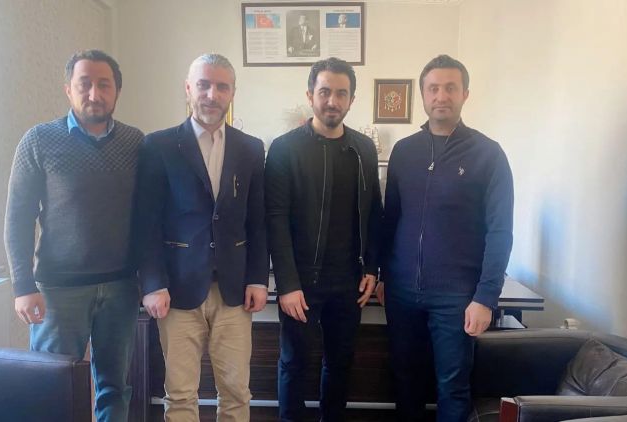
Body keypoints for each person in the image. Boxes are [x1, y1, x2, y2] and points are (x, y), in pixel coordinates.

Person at [5, 49, 143, 422]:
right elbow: (18, 217)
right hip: (57, 291)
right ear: (68, 89)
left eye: (104, 85)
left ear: (117, 91)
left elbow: (148, 215)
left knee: (115, 388)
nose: (94, 94)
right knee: (51, 388)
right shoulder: (38, 140)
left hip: (120, 288)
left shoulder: (135, 143)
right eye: (85, 84)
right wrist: (22, 285)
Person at [377, 54, 514, 422]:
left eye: (450, 88)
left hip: (457, 296)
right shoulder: (404, 152)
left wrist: (485, 297)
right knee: (405, 381)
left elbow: (500, 231)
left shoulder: (488, 154)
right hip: (402, 293)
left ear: (465, 94)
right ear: (423, 95)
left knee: (452, 387)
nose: (441, 96)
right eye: (433, 88)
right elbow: (390, 220)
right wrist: (383, 275)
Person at [135, 53, 268, 422]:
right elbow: (146, 224)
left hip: (234, 291)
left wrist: (258, 278)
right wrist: (152, 283)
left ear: (232, 93)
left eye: (222, 87)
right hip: (177, 291)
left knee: (237, 393)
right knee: (180, 395)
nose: (212, 94)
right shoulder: (158, 146)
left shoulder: (251, 148)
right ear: (188, 88)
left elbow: (258, 221)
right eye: (204, 85)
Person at [265, 57, 382, 422]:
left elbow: (374, 213)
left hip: (348, 282)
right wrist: (287, 284)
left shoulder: (364, 149)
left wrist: (373, 268)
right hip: (300, 283)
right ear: (310, 95)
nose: (333, 101)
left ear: (352, 99)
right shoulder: (284, 149)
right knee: (293, 363)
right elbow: (275, 220)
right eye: (325, 91)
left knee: (340, 363)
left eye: (341, 93)